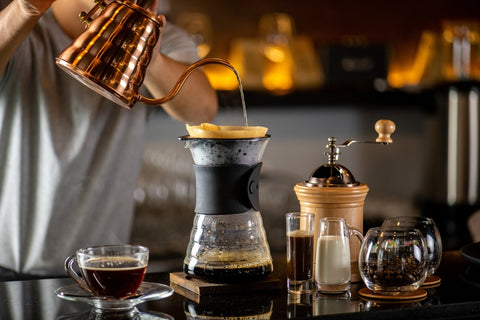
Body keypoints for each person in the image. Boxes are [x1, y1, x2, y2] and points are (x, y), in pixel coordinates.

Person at [0, 0, 218, 280]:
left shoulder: (166, 39)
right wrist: (25, 9)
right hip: (7, 268)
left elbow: (201, 110)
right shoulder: (22, 28)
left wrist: (146, 53)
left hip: (103, 266)